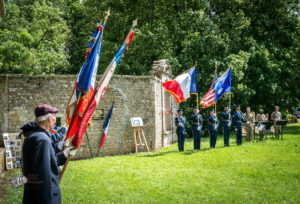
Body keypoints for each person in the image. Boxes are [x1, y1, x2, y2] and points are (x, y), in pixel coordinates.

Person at [22, 104, 76, 204]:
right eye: (55, 118)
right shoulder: (42, 140)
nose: (55, 121)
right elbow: (43, 180)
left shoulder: (34, 136)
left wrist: (64, 154)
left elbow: (43, 164)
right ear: (50, 119)